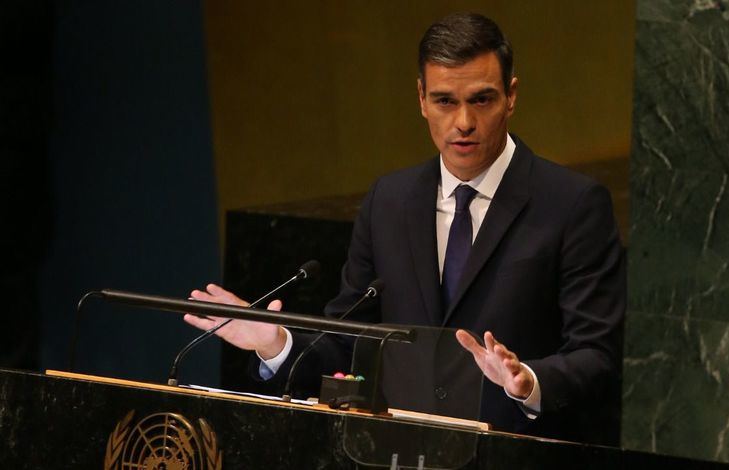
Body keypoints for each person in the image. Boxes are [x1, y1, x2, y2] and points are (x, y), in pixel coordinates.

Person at [185, 12, 625, 444]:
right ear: (420, 99)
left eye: (482, 99)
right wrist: (275, 342)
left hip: (514, 452)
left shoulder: (571, 204)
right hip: (398, 453)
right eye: (445, 101)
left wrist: (527, 380)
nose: (464, 122)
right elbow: (348, 341)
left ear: (511, 96)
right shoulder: (389, 203)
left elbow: (597, 355)